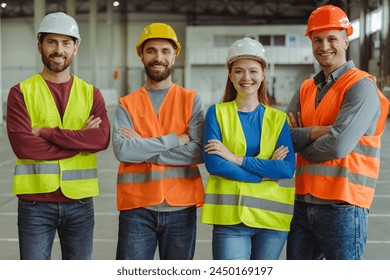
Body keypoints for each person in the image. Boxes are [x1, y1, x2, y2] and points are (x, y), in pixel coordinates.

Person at [285, 5, 390, 260]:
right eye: (317, 39)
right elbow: (281, 138)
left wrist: (302, 136)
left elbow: (337, 146)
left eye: (332, 38)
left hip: (344, 206)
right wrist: (316, 133)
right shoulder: (305, 88)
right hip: (303, 203)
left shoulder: (360, 86)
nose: (324, 46)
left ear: (346, 40)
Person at [5, 12, 110, 260]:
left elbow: (101, 140)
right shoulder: (20, 92)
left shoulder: (91, 93)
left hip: (80, 203)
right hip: (35, 203)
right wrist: (80, 142)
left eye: (66, 43)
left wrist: (45, 133)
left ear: (76, 47)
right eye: (52, 42)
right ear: (39, 45)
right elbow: (24, 147)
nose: (58, 50)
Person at [112, 22, 205, 260]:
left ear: (175, 56)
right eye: (151, 50)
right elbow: (123, 151)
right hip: (137, 208)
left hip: (181, 208)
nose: (158, 57)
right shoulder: (127, 103)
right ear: (141, 55)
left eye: (165, 51)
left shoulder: (191, 100)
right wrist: (174, 139)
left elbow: (197, 152)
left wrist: (143, 148)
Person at [200, 37, 296, 260]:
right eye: (239, 71)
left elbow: (286, 169)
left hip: (272, 221)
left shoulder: (278, 119)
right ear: (230, 75)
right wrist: (262, 175)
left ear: (263, 74)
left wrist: (235, 158)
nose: (246, 78)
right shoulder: (217, 113)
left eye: (253, 71)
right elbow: (214, 164)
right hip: (231, 219)